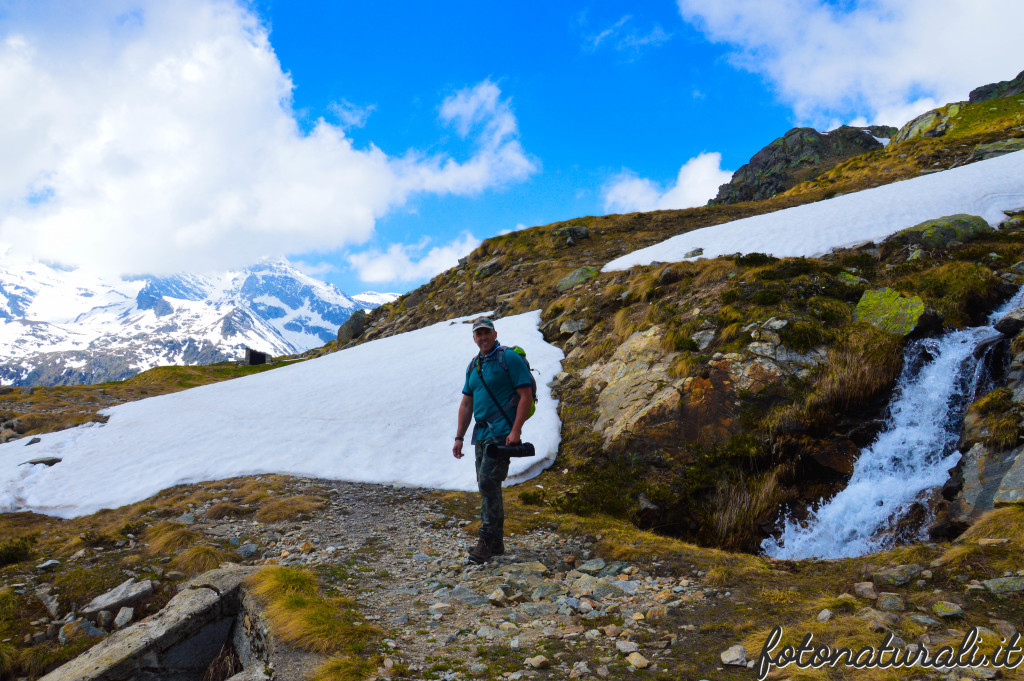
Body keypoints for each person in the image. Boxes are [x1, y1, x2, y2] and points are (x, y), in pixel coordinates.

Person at [453, 317, 533, 563]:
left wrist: (516, 430)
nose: (483, 337)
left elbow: (526, 394)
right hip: (482, 433)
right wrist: (459, 437)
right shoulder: (474, 366)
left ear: (495, 333)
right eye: (479, 334)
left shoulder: (509, 358)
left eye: (487, 332)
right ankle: (496, 542)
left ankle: (486, 540)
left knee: (488, 482)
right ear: (474, 338)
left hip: (502, 433)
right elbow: (467, 403)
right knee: (487, 485)